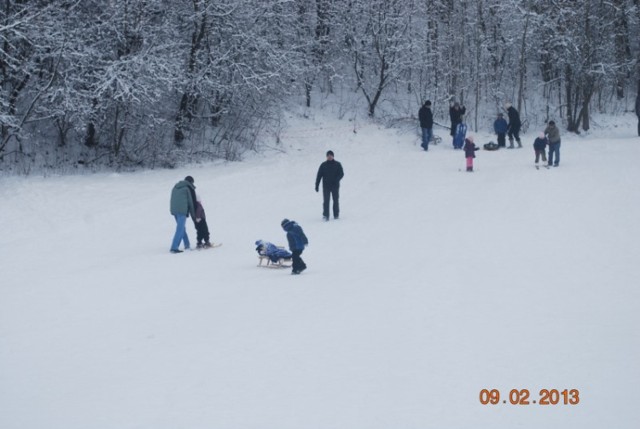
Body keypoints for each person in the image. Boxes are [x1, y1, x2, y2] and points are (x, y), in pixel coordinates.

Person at [169, 175, 196, 253]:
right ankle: (174, 247)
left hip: (174, 210)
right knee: (180, 229)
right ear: (191, 182)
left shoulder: (175, 187)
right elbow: (190, 202)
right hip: (181, 211)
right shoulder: (187, 188)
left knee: (182, 228)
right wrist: (194, 215)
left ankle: (187, 245)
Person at [315, 150, 344, 221]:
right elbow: (319, 175)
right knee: (326, 201)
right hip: (326, 186)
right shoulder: (323, 165)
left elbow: (341, 173)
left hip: (335, 186)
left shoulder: (337, 164)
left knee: (335, 200)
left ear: (333, 156)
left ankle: (336, 215)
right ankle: (326, 215)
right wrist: (317, 185)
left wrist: (337, 179)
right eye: (328, 156)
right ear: (326, 157)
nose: (329, 157)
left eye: (331, 155)